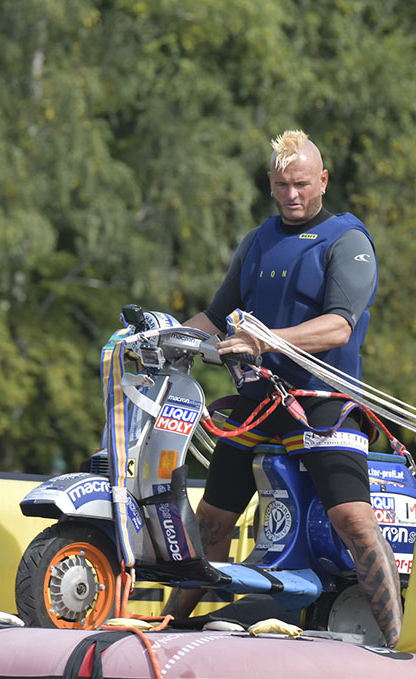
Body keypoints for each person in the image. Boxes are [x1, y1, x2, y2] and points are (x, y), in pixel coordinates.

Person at [162, 129, 402, 646]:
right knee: (208, 523)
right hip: (259, 403)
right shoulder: (257, 240)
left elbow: (339, 325)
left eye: (301, 185)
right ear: (269, 185)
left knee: (354, 521)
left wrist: (263, 340)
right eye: (280, 186)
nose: (292, 196)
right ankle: (170, 627)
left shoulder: (347, 240)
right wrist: (167, 339)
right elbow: (215, 315)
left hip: (322, 405)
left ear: (323, 180)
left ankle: (398, 644)